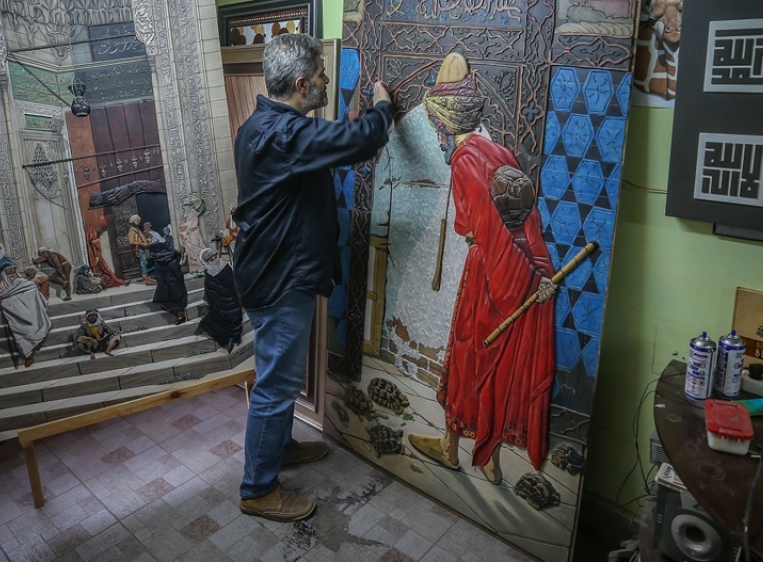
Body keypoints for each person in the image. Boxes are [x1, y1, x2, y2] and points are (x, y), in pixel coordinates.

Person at [233, 33, 394, 522]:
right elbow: (360, 141)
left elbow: (328, 148)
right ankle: (258, 489)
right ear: (302, 84)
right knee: (276, 386)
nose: (327, 80)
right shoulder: (285, 134)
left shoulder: (263, 125)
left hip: (273, 271)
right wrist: (382, 108)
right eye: (322, 74)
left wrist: (351, 128)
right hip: (281, 279)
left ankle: (279, 449)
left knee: (280, 378)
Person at [406, 53, 557, 485]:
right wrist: (538, 269)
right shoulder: (498, 151)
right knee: (486, 362)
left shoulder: (465, 160)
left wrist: (524, 280)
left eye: (435, 123)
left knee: (470, 358)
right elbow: (526, 221)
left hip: (491, 273)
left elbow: (490, 231)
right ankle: (476, 454)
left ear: (443, 122)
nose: (436, 132)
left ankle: (467, 451)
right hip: (510, 266)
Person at [0, 261, 53, 368]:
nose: (12, 272)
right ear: (4, 273)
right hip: (15, 318)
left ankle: (35, 344)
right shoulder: (2, 285)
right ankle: (28, 356)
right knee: (19, 336)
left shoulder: (25, 283)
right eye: (8, 270)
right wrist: (0, 299)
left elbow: (34, 293)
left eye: (13, 269)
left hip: (32, 315)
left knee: (36, 329)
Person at [196, 245, 243, 351]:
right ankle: (229, 339)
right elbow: (209, 290)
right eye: (211, 259)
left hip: (231, 300)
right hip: (219, 303)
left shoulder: (225, 267)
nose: (214, 260)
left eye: (214, 257)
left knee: (230, 318)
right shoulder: (209, 274)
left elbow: (232, 284)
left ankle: (232, 338)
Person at [149, 236, 187, 323]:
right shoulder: (172, 260)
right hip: (175, 285)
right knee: (179, 300)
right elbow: (179, 275)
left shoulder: (157, 262)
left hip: (166, 287)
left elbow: (159, 278)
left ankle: (179, 315)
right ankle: (181, 316)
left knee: (170, 301)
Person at [129, 215, 156, 285]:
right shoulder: (132, 231)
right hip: (139, 250)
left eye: (138, 221)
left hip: (143, 250)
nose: (138, 222)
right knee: (143, 266)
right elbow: (132, 241)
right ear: (133, 222)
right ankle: (147, 281)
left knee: (146, 264)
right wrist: (141, 243)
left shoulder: (137, 229)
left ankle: (148, 279)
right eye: (136, 221)